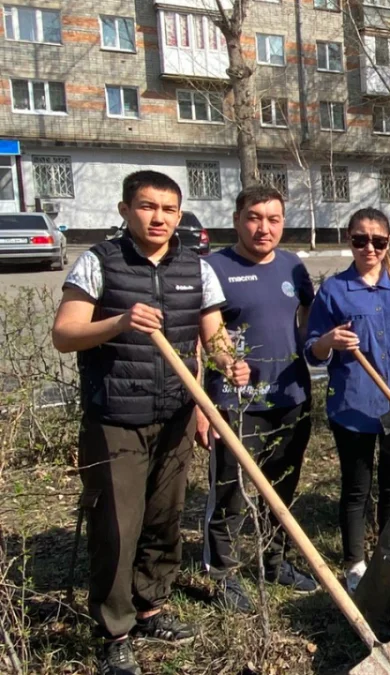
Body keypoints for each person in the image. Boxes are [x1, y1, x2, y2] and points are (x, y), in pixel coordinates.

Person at [51, 170, 249, 675]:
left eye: (168, 209)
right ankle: (114, 630)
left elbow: (213, 335)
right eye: (146, 206)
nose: (158, 217)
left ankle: (150, 606)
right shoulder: (100, 263)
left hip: (176, 414)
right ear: (124, 210)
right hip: (117, 415)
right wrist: (118, 322)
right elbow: (65, 333)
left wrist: (230, 363)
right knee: (118, 524)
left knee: (164, 516)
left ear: (179, 216)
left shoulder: (195, 267)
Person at [201, 185, 318, 614]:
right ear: (236, 220)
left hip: (291, 398)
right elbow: (208, 332)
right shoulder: (214, 267)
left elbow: (309, 321)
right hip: (236, 404)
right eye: (254, 217)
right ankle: (224, 576)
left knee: (282, 490)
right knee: (229, 493)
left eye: (273, 218)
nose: (263, 227)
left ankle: (275, 562)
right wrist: (224, 364)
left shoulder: (293, 266)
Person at [305, 208, 390, 592]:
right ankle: (355, 561)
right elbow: (313, 349)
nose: (369, 248)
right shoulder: (334, 290)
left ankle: (387, 556)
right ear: (349, 240)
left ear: (388, 242)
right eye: (360, 240)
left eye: (378, 241)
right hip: (351, 406)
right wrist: (331, 341)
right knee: (356, 486)